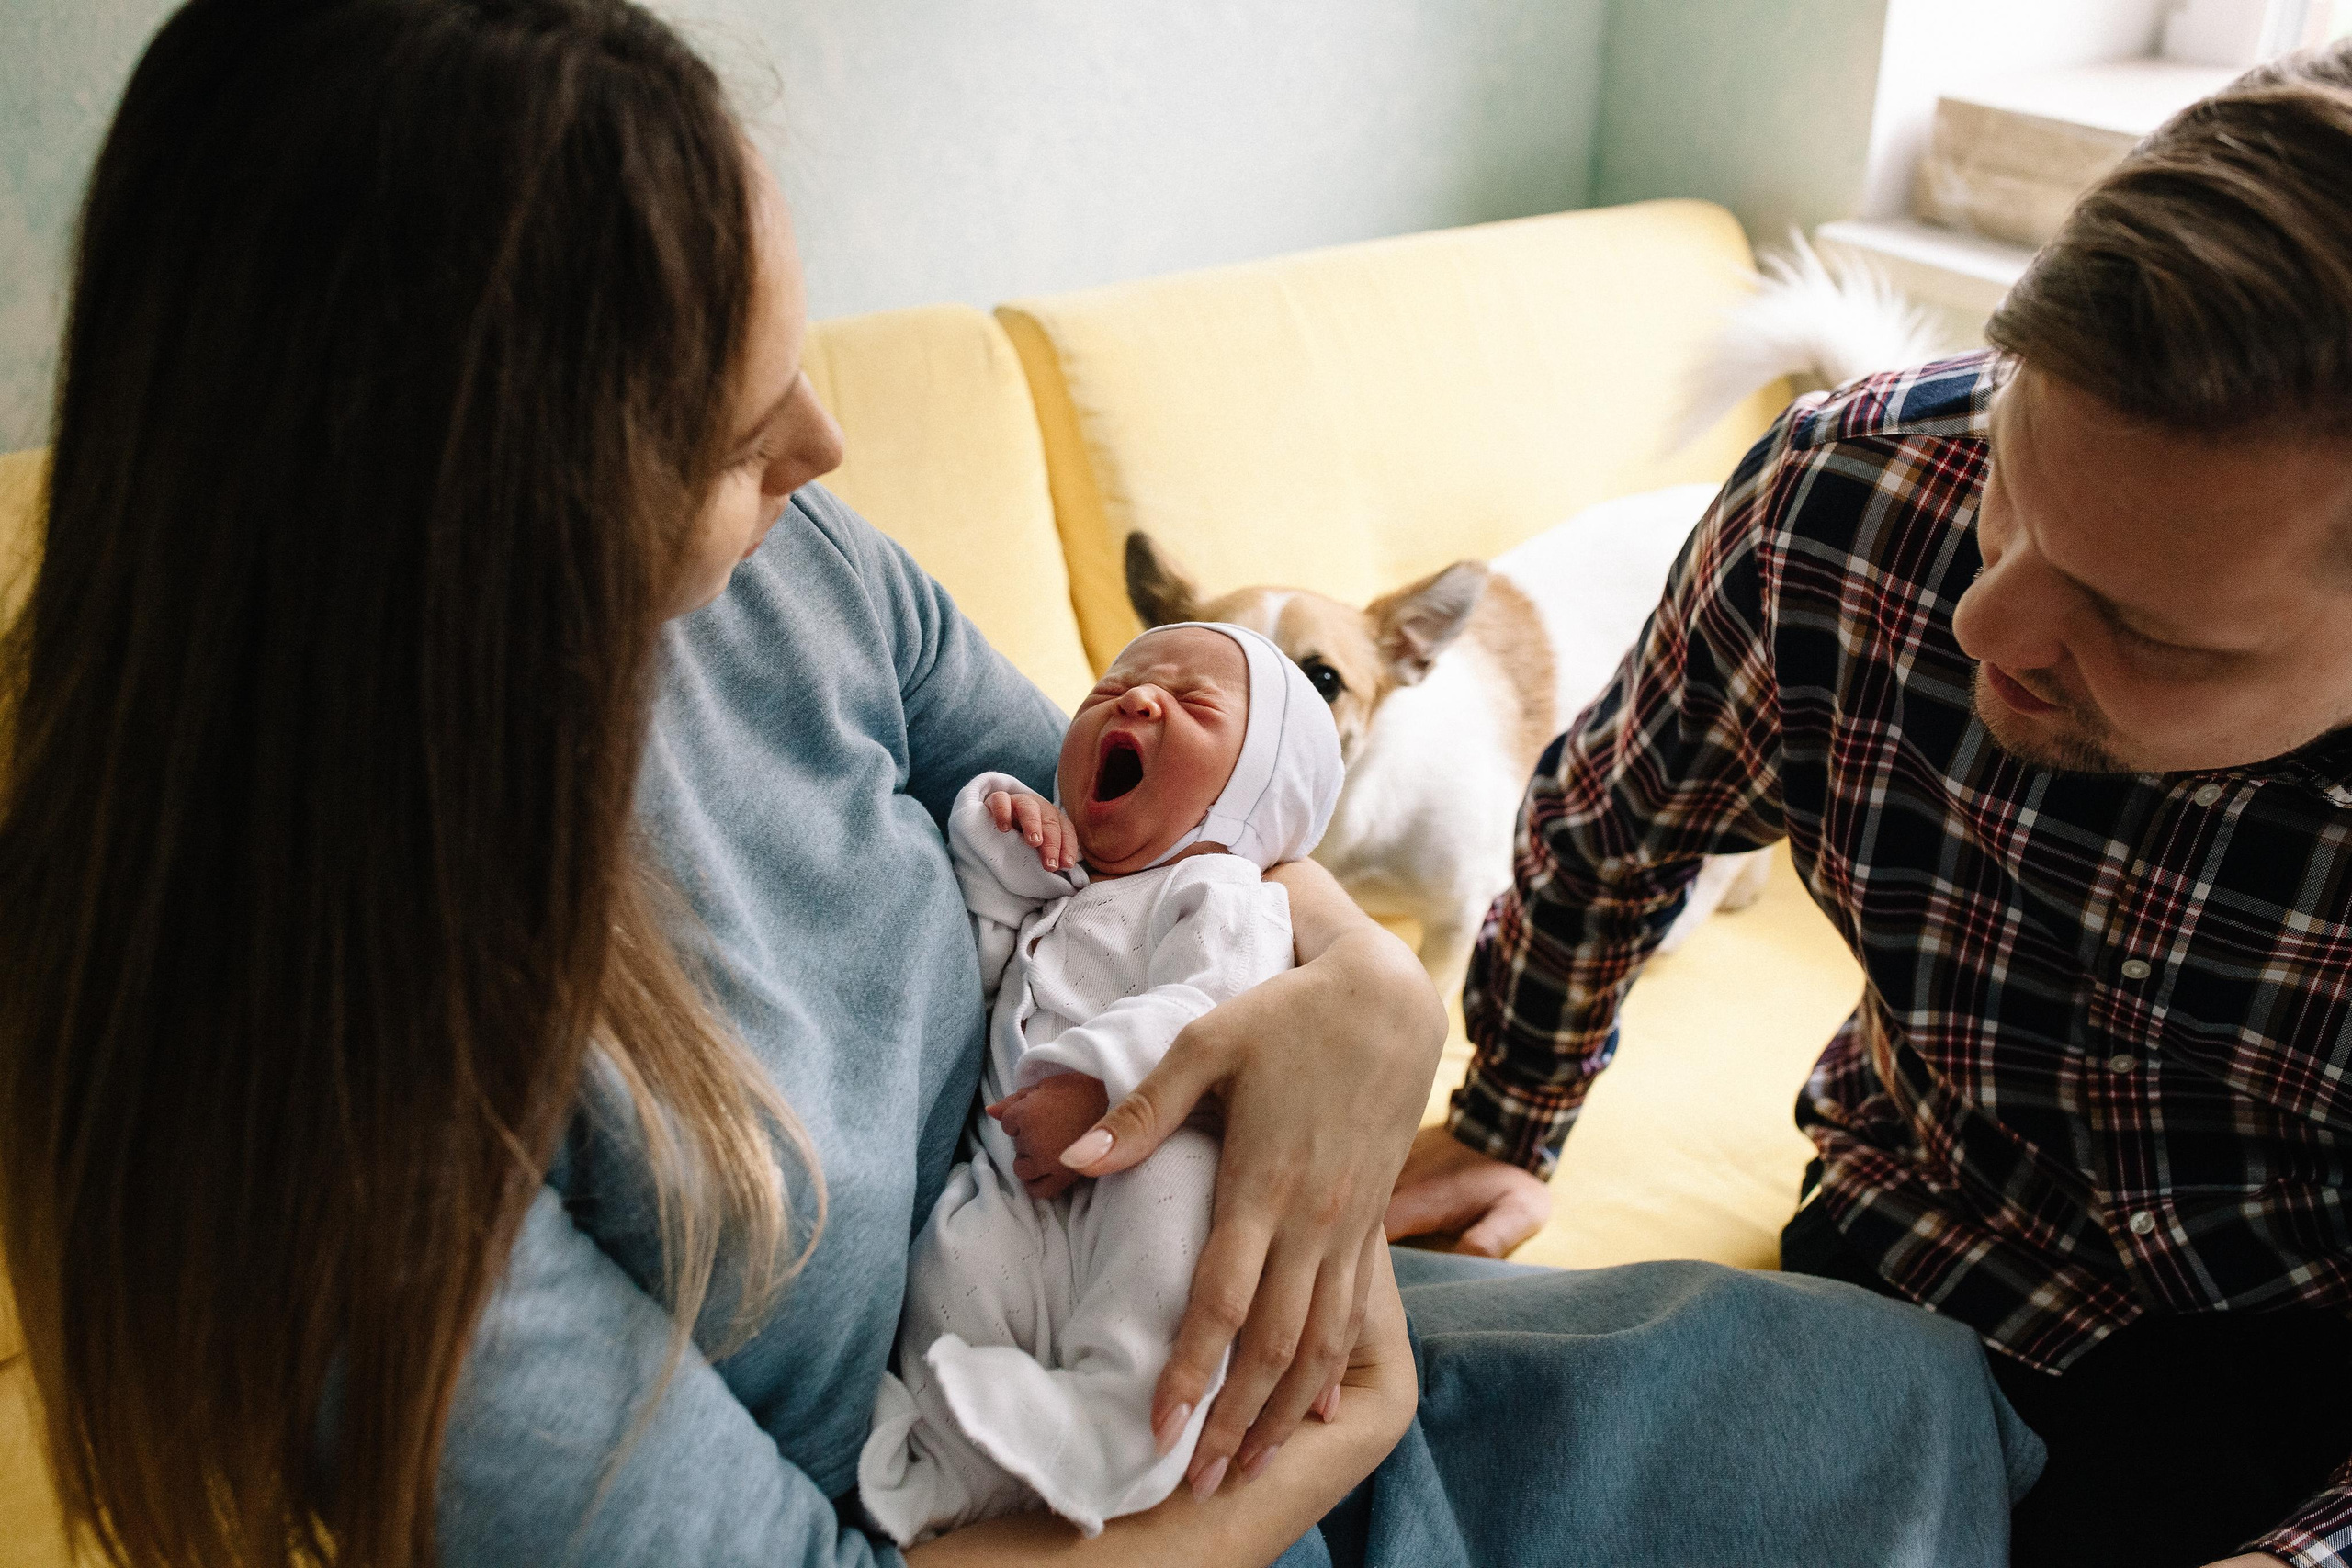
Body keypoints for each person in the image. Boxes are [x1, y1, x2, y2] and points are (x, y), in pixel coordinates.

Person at [1, 3, 2040, 1565]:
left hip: (1207, 1328)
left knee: (1916, 1411)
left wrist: (1356, 992)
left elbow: (1156, 830)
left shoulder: (774, 579)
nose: (819, 441)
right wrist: (1283, 1471)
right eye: (723, 429)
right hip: (1086, 1506)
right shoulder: (323, 1107)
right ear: (461, 526)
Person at [1389, 39, 2352, 1568]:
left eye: (2148, 631)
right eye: (2014, 486)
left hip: (2298, 1382)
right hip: (1907, 1240)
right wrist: (1515, 1106)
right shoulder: (1855, 490)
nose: (1981, 625)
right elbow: (1617, 822)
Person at [862, 622, 1345, 1542]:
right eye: (1109, 687)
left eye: (1195, 703)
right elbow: (985, 946)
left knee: (1172, 1243)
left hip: (1150, 1142)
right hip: (1013, 1179)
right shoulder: (1074, 883)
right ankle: (951, 1459)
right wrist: (1009, 835)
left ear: (1255, 798)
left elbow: (1217, 1004)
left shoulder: (1220, 889)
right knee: (956, 1272)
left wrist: (1100, 1089)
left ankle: (1118, 1426)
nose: (1136, 697)